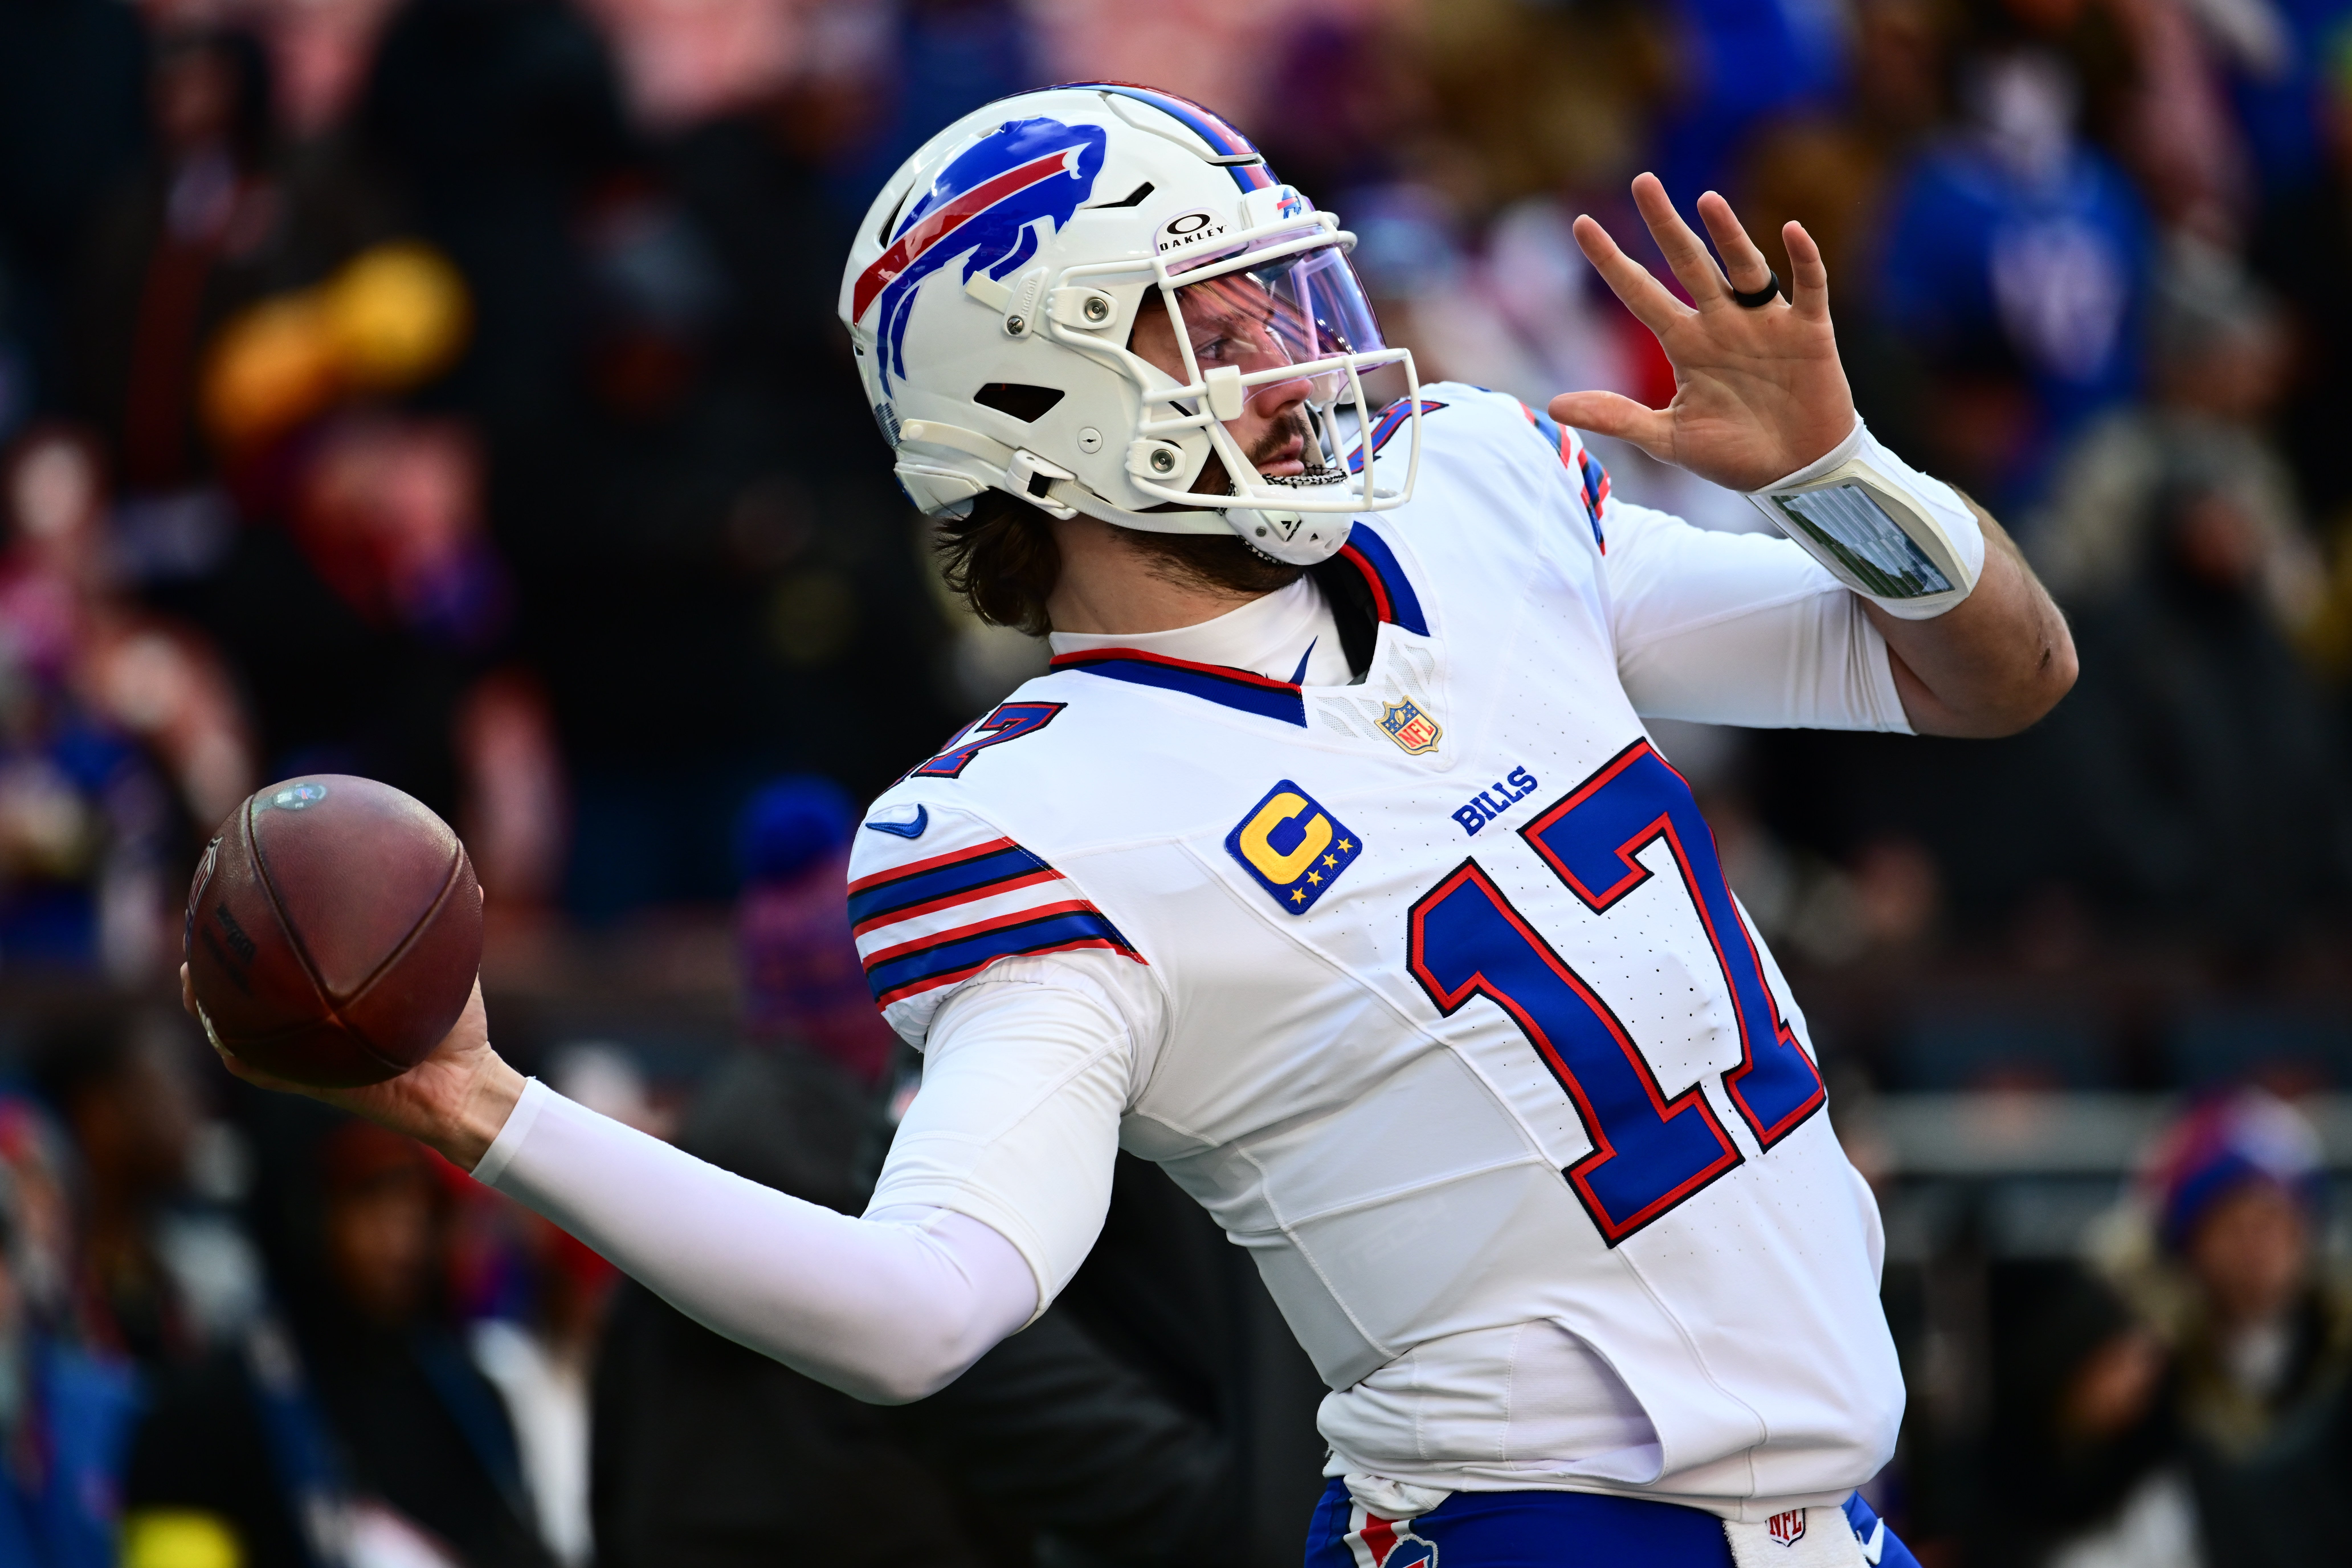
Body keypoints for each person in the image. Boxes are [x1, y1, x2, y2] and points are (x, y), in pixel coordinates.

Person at [191, 85, 2075, 1567]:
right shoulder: (1036, 819)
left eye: (1278, 284)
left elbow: (1994, 679)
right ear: (1041, 397)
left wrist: (1841, 477)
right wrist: (481, 1108)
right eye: (1214, 309)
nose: (1290, 336)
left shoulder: (1479, 508)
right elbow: (919, 1311)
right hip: (1533, 1530)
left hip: (1833, 1516)